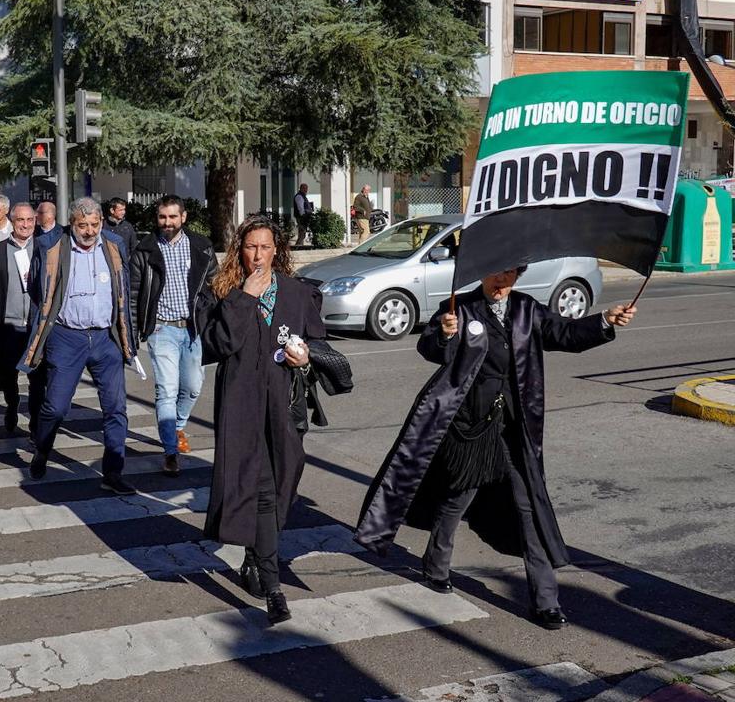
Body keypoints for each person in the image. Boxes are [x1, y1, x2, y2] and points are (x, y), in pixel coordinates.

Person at [354, 267, 637, 631]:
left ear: (518, 275)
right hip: (471, 425)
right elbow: (432, 349)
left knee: (528, 508)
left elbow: (563, 333)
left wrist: (604, 322)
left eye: (509, 274)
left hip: (516, 427)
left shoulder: (526, 309)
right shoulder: (460, 307)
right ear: (483, 273)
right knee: (459, 497)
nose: (501, 282)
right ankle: (436, 565)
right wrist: (443, 333)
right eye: (495, 274)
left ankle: (546, 600)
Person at [201, 215, 324, 625]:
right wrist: (245, 298)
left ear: (277, 251)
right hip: (240, 403)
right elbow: (217, 344)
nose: (258, 255)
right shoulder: (225, 291)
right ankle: (273, 587)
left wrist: (305, 358)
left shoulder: (296, 292)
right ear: (241, 250)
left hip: (283, 404)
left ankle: (255, 557)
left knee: (283, 482)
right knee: (259, 488)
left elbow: (317, 344)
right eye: (250, 247)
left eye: (265, 247)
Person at [20, 196, 137, 494]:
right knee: (56, 407)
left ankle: (113, 472)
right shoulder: (51, 245)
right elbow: (38, 288)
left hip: (105, 338)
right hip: (66, 337)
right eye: (82, 225)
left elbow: (124, 287)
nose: (89, 231)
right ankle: (42, 450)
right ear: (71, 223)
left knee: (115, 407)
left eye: (94, 224)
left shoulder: (113, 245)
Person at [129, 194, 218, 477]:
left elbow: (215, 287)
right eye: (162, 217)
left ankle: (178, 426)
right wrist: (132, 334)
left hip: (193, 328)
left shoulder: (201, 247)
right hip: (161, 328)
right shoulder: (145, 250)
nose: (167, 222)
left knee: (192, 386)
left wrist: (213, 322)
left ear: (183, 217)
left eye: (172, 217)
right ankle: (170, 451)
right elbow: (133, 295)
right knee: (166, 390)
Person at [0, 201, 45, 438]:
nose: (25, 225)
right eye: (20, 220)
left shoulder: (44, 248)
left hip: (37, 326)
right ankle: (12, 405)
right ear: (12, 221)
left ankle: (36, 422)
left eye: (30, 220)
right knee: (8, 377)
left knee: (38, 378)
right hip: (8, 324)